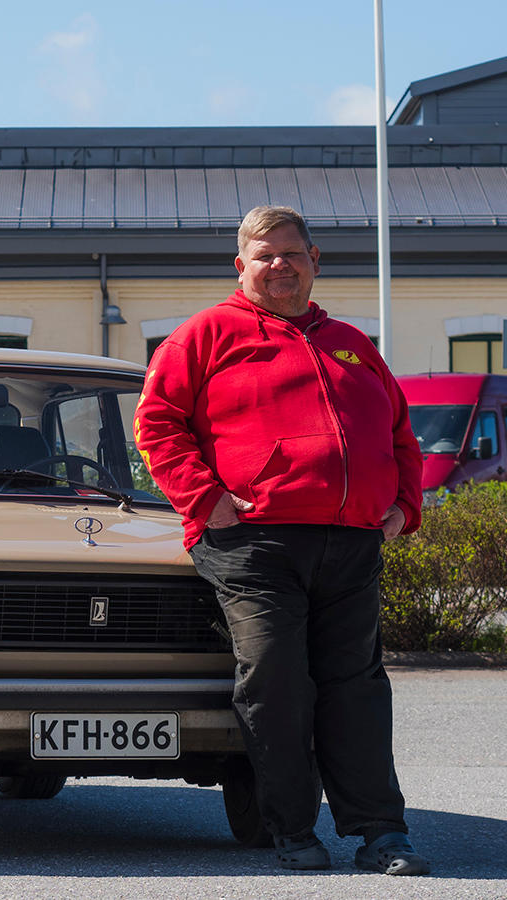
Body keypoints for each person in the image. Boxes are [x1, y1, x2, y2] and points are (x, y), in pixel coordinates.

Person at [133, 205, 429, 875]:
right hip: (253, 542)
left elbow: (399, 435)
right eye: (264, 255)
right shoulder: (205, 335)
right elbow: (157, 423)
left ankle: (381, 833)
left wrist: (404, 506)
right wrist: (206, 500)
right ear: (241, 266)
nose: (279, 265)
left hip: (350, 543)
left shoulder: (352, 343)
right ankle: (292, 830)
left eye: (291, 253)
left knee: (356, 687)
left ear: (315, 261)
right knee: (277, 680)